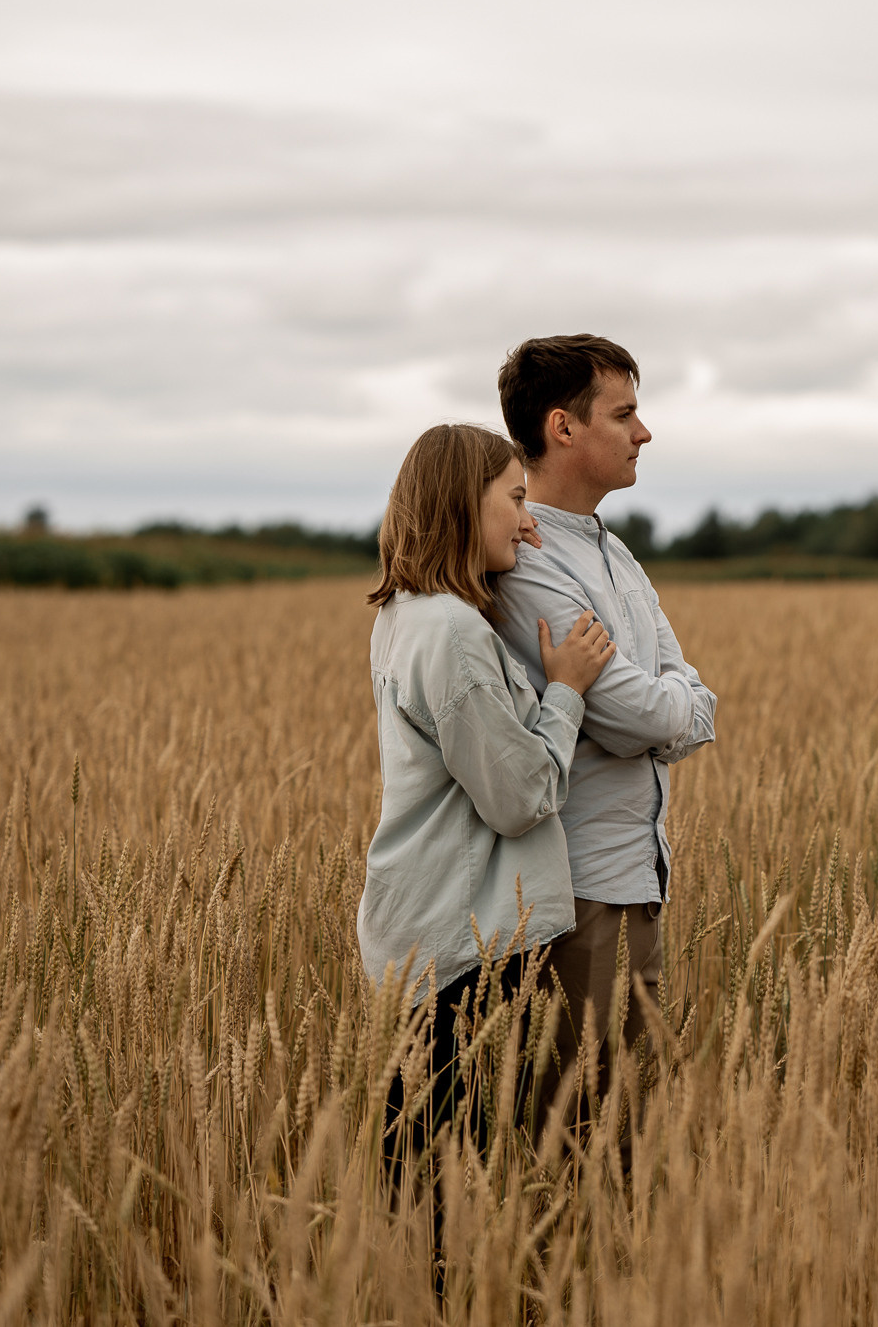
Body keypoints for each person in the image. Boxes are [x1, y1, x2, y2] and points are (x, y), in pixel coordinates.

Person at [360, 422, 616, 1267]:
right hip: (461, 941)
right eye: (513, 499)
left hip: (420, 930)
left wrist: (507, 540)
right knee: (442, 1186)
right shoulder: (456, 636)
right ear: (461, 505)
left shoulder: (408, 615)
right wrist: (567, 692)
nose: (527, 517)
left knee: (423, 1176)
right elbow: (519, 798)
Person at [492, 334, 718, 1125]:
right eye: (624, 414)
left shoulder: (613, 551)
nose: (644, 432)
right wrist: (673, 708)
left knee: (619, 1132)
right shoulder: (528, 558)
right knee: (583, 1135)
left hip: (639, 877)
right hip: (578, 892)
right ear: (563, 427)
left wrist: (671, 706)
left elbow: (679, 691)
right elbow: (641, 714)